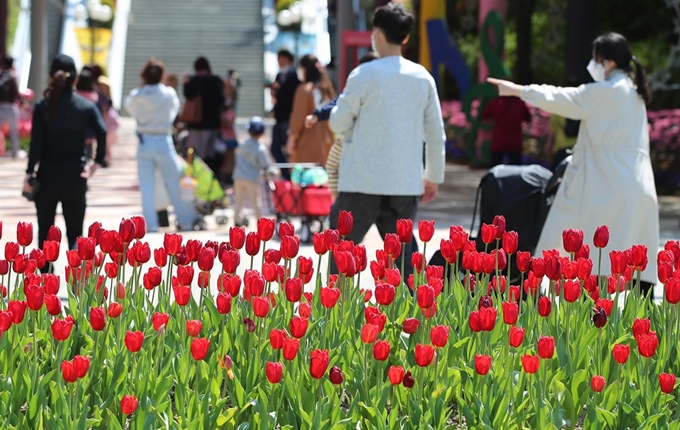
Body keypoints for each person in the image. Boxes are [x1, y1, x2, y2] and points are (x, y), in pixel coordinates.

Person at [488, 32, 659, 297]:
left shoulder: (604, 91)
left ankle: (582, 322)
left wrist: (518, 90)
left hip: (603, 183)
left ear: (608, 62)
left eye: (596, 58)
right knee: (620, 260)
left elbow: (562, 98)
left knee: (588, 257)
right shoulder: (635, 93)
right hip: (636, 184)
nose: (593, 64)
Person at [328, 3, 446, 277]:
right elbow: (435, 133)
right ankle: (421, 317)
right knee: (407, 265)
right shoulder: (422, 78)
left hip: (360, 182)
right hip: (404, 185)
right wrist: (433, 177)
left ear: (377, 33)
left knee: (340, 258)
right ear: (405, 37)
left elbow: (338, 123)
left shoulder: (363, 75)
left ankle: (335, 318)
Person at [24, 54, 107, 258]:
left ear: (51, 77)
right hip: (75, 177)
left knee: (45, 235)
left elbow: (36, 144)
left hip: (46, 177)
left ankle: (42, 285)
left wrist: (29, 172)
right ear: (75, 79)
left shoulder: (43, 107)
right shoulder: (85, 106)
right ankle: (77, 285)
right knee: (76, 236)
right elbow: (102, 131)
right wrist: (96, 162)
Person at [125, 58, 201, 232]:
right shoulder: (168, 94)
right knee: (174, 181)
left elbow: (129, 107)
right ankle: (186, 220)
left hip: (144, 141)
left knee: (146, 184)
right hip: (163, 140)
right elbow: (173, 111)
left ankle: (150, 224)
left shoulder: (137, 94)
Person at [304, 51, 380, 199]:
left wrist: (317, 115)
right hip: (376, 143)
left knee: (332, 167)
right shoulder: (385, 88)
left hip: (350, 139)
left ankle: (336, 201)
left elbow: (338, 102)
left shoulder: (357, 84)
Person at [287, 54, 335, 166]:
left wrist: (292, 139)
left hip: (307, 141)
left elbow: (298, 117)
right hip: (327, 140)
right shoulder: (325, 88)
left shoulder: (304, 89)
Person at [183, 56, 225, 175]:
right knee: (210, 153)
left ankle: (196, 178)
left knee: (195, 153)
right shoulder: (216, 80)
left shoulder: (193, 80)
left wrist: (185, 83)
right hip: (213, 123)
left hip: (196, 124)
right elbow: (221, 99)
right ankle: (211, 179)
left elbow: (188, 95)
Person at [232, 116, 271, 227]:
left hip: (238, 176)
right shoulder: (260, 148)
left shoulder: (242, 144)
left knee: (238, 201)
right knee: (255, 202)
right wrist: (272, 171)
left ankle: (237, 221)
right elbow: (266, 164)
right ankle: (260, 224)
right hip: (252, 178)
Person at [270, 50, 301, 178]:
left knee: (289, 149)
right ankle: (286, 173)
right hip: (279, 117)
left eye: (282, 59)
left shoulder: (294, 76)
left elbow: (290, 97)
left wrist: (278, 90)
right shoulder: (279, 75)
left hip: (288, 118)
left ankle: (291, 174)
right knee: (275, 149)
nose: (280, 62)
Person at [481, 95, 531, 166]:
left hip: (499, 140)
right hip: (515, 141)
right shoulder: (519, 103)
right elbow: (528, 117)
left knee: (495, 168)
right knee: (514, 169)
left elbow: (484, 115)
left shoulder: (496, 102)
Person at [218, 69, 241, 185]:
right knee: (226, 159)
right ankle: (225, 177)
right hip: (223, 134)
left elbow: (230, 118)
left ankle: (229, 177)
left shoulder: (230, 101)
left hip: (229, 134)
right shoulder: (220, 100)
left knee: (231, 158)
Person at [0, 56, 21, 158]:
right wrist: (22, 102)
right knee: (14, 131)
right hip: (11, 106)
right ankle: (15, 152)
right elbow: (16, 91)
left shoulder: (1, 75)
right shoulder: (12, 76)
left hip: (0, 106)